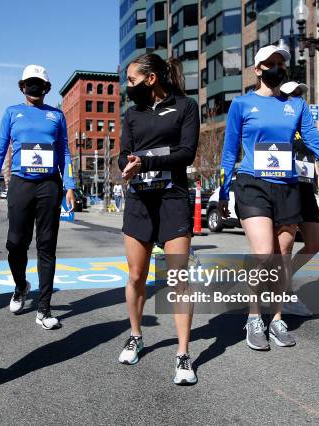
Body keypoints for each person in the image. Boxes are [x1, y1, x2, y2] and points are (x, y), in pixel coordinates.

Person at [219, 45, 319, 350]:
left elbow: (317, 144)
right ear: (257, 69)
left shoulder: (296, 106)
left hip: (286, 186)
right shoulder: (242, 105)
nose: (277, 68)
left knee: (282, 255)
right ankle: (254, 317)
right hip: (252, 183)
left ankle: (277, 319)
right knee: (262, 253)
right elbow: (230, 151)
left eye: (280, 63)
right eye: (270, 64)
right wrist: (223, 191)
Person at [118, 53, 199, 385]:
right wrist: (125, 164)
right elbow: (123, 152)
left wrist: (144, 162)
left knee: (178, 276)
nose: (128, 86)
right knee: (137, 275)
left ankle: (182, 354)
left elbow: (186, 153)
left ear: (151, 79)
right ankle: (136, 336)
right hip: (139, 199)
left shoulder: (185, 106)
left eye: (133, 80)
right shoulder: (132, 113)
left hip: (173, 199)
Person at [0, 65, 76, 330]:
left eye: (39, 83)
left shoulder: (56, 116)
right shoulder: (12, 113)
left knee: (46, 246)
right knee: (16, 243)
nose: (34, 87)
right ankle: (20, 285)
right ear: (22, 86)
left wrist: (69, 185)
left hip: (49, 185)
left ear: (46, 88)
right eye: (29, 83)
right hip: (21, 184)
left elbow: (65, 153)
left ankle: (44, 309)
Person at [280, 82, 319, 317]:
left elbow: (313, 157)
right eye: (293, 94)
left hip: (307, 188)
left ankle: (285, 278)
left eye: (301, 94)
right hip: (287, 187)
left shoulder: (308, 125)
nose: (299, 97)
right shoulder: (280, 122)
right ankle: (285, 292)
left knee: (315, 242)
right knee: (284, 246)